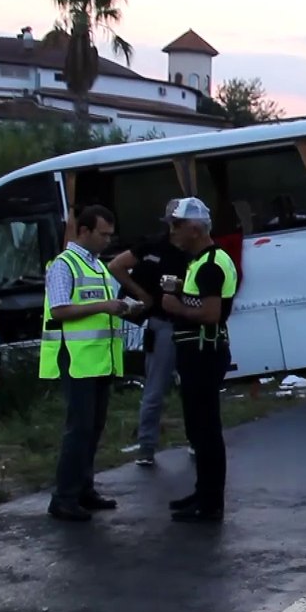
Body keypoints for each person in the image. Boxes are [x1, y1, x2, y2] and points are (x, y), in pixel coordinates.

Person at [42, 205, 129, 522]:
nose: (108, 240)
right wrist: (105, 305)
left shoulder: (96, 265)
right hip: (77, 359)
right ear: (83, 231)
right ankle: (63, 497)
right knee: (78, 429)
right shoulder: (64, 265)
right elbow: (60, 310)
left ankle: (83, 489)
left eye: (110, 234)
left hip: (100, 358)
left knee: (93, 428)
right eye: (102, 234)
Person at [161, 198, 239, 523]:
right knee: (198, 427)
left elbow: (210, 313)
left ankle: (210, 503)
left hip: (204, 353)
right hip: (197, 352)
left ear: (194, 228)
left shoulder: (210, 263)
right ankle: (203, 492)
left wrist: (175, 306)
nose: (172, 232)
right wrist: (181, 291)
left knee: (205, 429)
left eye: (176, 225)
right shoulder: (202, 260)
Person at [107, 199, 191, 466]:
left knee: (192, 387)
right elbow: (117, 266)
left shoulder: (196, 250)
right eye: (174, 223)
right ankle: (146, 446)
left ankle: (196, 440)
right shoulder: (152, 246)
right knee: (155, 389)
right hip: (161, 324)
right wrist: (141, 294)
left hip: (190, 324)